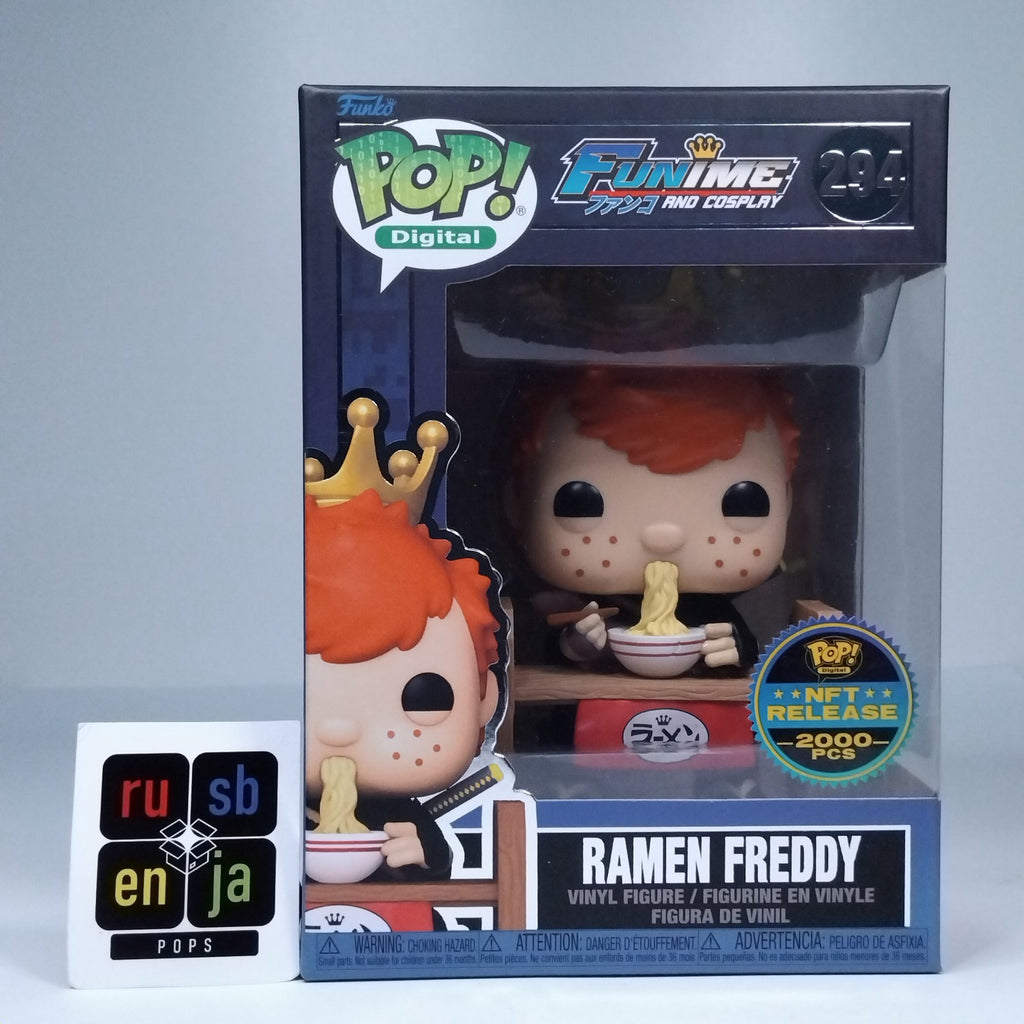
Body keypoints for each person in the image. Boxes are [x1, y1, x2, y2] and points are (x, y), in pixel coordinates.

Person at [507, 366, 799, 752]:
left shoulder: (725, 610)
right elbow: (542, 650)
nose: (665, 536)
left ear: (787, 502)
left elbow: (747, 646)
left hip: (719, 739)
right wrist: (576, 645)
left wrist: (737, 649)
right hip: (582, 737)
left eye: (743, 503)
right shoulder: (570, 606)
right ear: (517, 504)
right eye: (582, 502)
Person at [305, 487, 501, 880]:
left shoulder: (404, 818)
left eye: (423, 696)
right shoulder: (267, 812)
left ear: (484, 699)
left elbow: (439, 866)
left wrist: (426, 854)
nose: (339, 731)